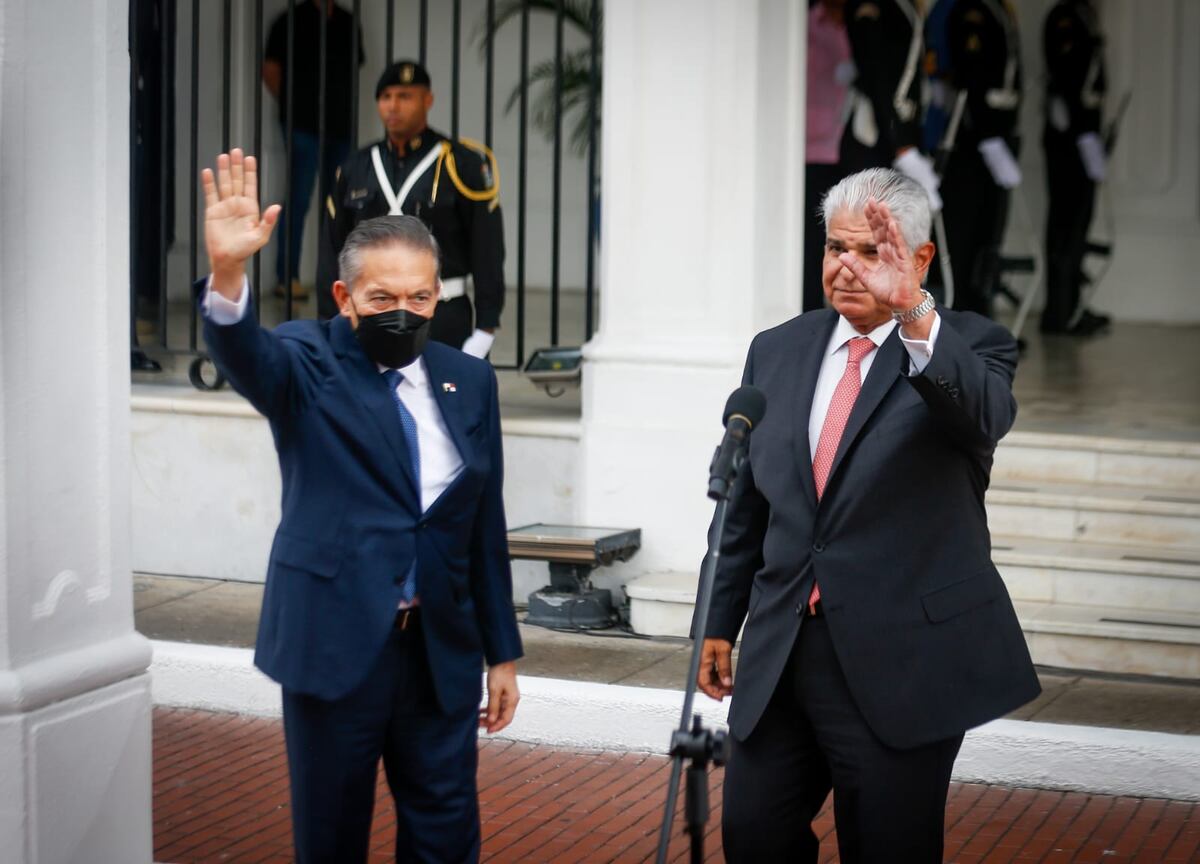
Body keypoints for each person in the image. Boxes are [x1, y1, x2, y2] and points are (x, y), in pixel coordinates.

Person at [698, 168, 1040, 862]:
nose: (847, 267)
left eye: (871, 251)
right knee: (752, 836)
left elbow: (985, 415)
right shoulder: (779, 349)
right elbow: (749, 506)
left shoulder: (972, 346)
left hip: (901, 661)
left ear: (918, 259)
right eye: (835, 249)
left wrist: (914, 312)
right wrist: (717, 622)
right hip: (784, 652)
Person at [199, 148, 522, 862]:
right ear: (345, 299)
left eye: (419, 298)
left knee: (445, 838)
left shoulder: (468, 381)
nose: (402, 313)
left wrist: (502, 652)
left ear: (438, 296)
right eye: (382, 299)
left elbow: (481, 525)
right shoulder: (305, 362)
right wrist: (228, 273)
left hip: (439, 654)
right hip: (335, 646)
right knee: (332, 839)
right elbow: (245, 353)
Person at [318, 60, 505, 359]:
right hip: (369, 316)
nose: (393, 106)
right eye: (386, 97)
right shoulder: (356, 167)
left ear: (427, 100)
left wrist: (485, 329)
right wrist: (331, 323)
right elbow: (332, 250)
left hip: (442, 315)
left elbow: (488, 250)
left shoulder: (461, 164)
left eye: (405, 96)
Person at [262, 0, 362, 301]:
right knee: (299, 198)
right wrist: (292, 105)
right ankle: (287, 277)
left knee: (338, 204)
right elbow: (270, 70)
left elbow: (354, 68)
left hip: (340, 126)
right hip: (302, 124)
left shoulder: (347, 21)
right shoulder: (290, 20)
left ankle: (336, 279)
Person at [933, 0, 1023, 317]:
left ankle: (980, 320)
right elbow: (972, 76)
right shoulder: (971, 11)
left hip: (995, 138)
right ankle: (960, 323)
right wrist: (988, 140)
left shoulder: (996, 8)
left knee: (988, 235)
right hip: (972, 143)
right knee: (964, 239)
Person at [1041, 0, 1111, 335]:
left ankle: (1071, 305)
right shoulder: (1065, 17)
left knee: (1078, 226)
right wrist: (1084, 137)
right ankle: (1059, 311)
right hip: (1070, 141)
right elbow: (1068, 78)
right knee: (1065, 225)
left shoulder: (1085, 16)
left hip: (1083, 137)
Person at [840, 0, 943, 211]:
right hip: (877, 134)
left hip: (898, 133)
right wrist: (903, 145)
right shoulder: (881, 6)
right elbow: (880, 74)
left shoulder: (906, 6)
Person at [804, 0, 853, 312]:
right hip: (812, 147)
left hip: (849, 144)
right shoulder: (809, 22)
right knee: (812, 241)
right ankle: (810, 312)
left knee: (847, 238)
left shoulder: (858, 19)